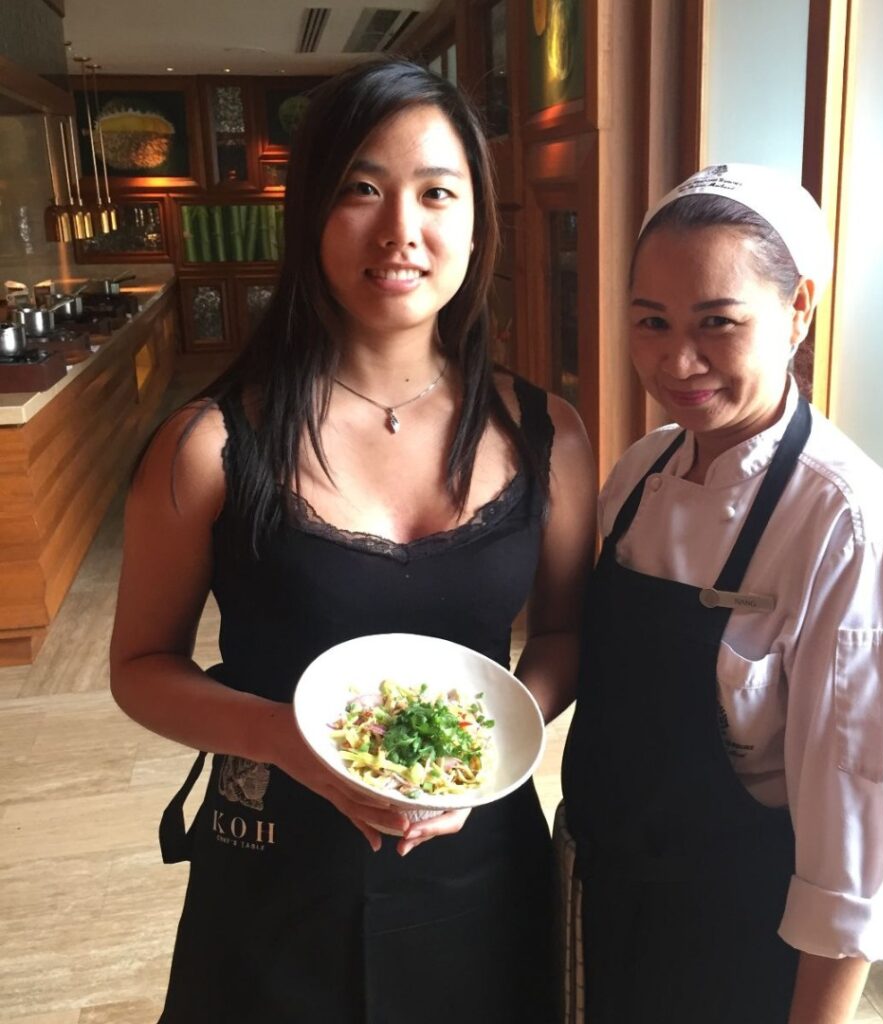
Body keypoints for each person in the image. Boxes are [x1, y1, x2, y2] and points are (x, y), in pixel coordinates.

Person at [109, 58, 595, 1024]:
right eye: (361, 189)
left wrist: (495, 747)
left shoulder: (550, 436)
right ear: (310, 218)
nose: (399, 229)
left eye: (436, 193)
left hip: (480, 862)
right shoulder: (208, 444)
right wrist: (281, 739)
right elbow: (139, 666)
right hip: (273, 873)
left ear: (477, 225)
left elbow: (562, 636)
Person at [559, 163, 883, 1023]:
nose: (678, 360)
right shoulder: (640, 472)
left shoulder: (851, 531)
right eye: (652, 322)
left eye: (718, 323)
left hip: (740, 943)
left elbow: (856, 854)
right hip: (611, 897)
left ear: (798, 309)